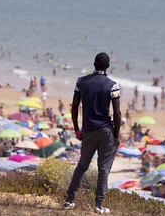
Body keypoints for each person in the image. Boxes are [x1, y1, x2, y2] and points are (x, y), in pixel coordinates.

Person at [64, 53, 121, 214]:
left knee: (82, 166)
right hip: (105, 131)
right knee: (103, 169)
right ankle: (99, 205)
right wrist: (116, 135)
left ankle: (69, 200)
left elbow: (74, 107)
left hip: (88, 131)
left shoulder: (81, 82)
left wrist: (76, 128)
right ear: (108, 66)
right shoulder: (113, 85)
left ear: (94, 64)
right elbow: (117, 113)